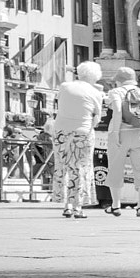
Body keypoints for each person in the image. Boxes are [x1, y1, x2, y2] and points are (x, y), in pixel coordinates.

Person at [45, 60, 104, 220]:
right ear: (95, 77)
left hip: (61, 130)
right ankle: (78, 207)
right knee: (81, 168)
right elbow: (97, 119)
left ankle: (67, 205)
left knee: (63, 165)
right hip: (82, 131)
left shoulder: (65, 86)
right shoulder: (96, 93)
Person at [103, 67, 140, 217]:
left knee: (115, 168)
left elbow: (118, 112)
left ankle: (116, 205)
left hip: (121, 133)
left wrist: (115, 133)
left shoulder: (116, 92)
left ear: (119, 80)